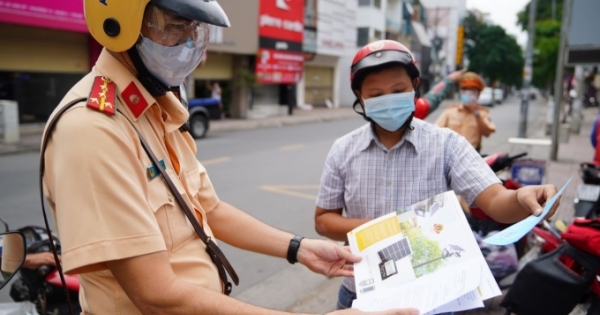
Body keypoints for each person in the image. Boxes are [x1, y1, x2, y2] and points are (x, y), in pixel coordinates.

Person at [41, 1, 417, 315]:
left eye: (194, 31)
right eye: (174, 27)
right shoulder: (93, 129)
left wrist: (299, 248)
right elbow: (155, 295)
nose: (188, 44)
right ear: (118, 23)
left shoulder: (156, 109)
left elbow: (209, 209)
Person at [313, 40, 560, 310]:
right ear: (360, 97)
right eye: (375, 95)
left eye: (397, 90)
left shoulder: (446, 145)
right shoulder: (343, 150)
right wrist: (390, 230)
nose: (387, 100)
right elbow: (324, 220)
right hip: (360, 297)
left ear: (415, 86)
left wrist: (522, 197)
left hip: (433, 299)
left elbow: (496, 202)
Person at [434, 72, 496, 152]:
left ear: (478, 94)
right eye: (466, 91)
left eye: (472, 91)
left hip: (472, 156)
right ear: (461, 93)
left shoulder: (482, 113)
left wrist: (476, 114)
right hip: (451, 154)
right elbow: (436, 130)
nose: (469, 94)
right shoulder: (450, 111)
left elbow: (487, 133)